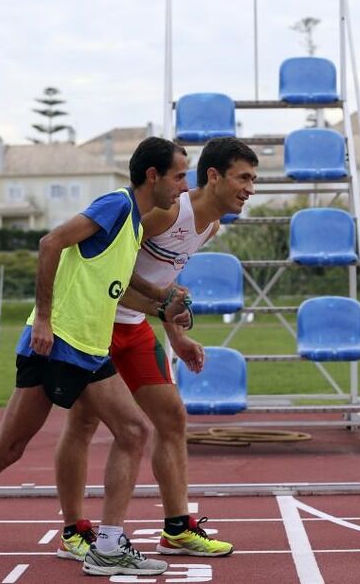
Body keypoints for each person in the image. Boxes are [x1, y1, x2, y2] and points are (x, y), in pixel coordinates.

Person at [0, 137, 191, 577]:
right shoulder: (117, 205)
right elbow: (51, 242)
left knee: (8, 447)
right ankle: (108, 546)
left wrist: (161, 298)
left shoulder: (132, 225)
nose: (183, 188)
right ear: (153, 175)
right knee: (131, 431)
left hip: (80, 345)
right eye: (180, 175)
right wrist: (44, 321)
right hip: (66, 342)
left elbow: (116, 277)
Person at [53, 137, 258, 569]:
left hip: (134, 327)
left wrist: (176, 336)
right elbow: (109, 260)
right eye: (244, 178)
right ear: (215, 176)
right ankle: (74, 532)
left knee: (172, 417)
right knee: (84, 423)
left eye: (254, 179)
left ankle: (178, 529)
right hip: (97, 325)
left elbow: (163, 280)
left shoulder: (210, 226)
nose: (250, 188)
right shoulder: (166, 212)